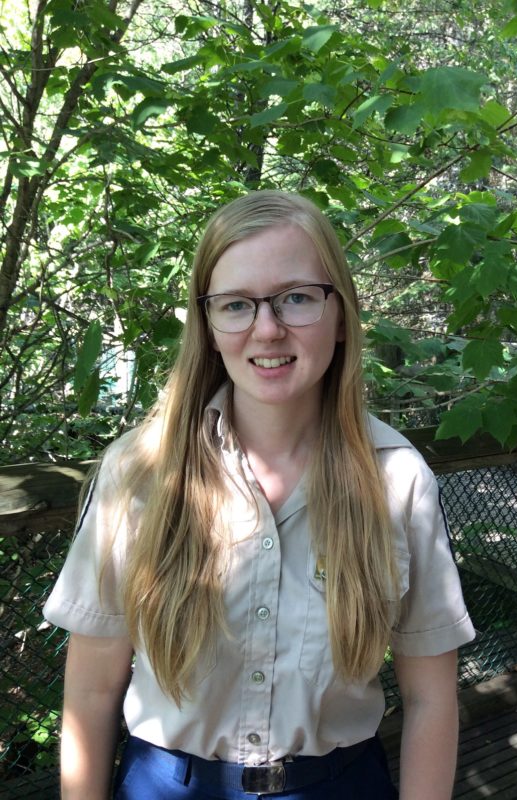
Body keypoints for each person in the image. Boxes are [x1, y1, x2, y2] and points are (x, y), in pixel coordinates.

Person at [44, 190, 475, 800]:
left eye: (296, 297)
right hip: (167, 786)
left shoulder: (397, 479)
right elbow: (89, 693)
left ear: (342, 313)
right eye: (237, 304)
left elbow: (431, 696)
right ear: (209, 324)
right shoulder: (140, 472)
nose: (266, 330)